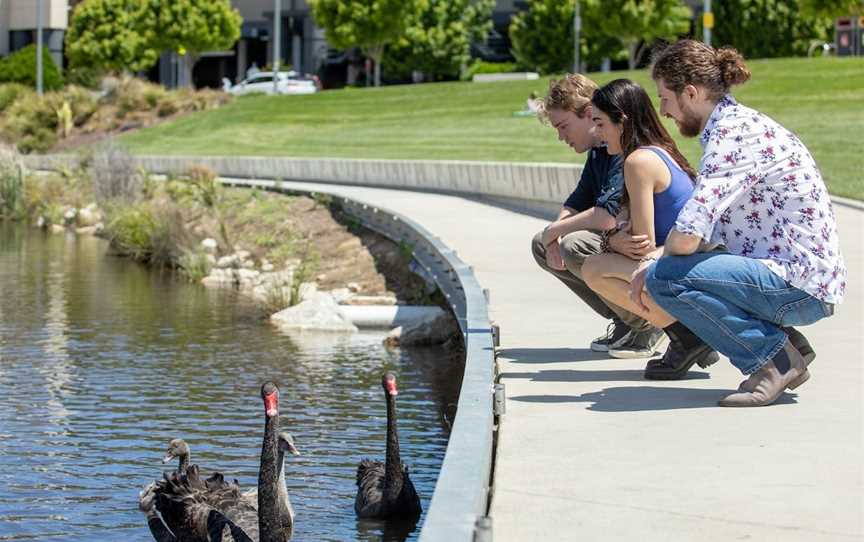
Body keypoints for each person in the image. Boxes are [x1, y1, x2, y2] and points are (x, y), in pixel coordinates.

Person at [629, 39, 845, 407]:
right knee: (666, 269)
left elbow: (687, 237)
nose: (663, 111)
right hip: (799, 277)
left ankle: (773, 361)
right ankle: (788, 347)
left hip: (799, 283)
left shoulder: (733, 137)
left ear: (691, 93)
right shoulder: (736, 127)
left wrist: (652, 263)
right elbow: (703, 231)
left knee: (666, 278)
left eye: (665, 98)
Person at [580, 79, 720, 376]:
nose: (597, 133)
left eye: (600, 123)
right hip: (692, 257)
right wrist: (617, 236)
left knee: (593, 268)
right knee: (599, 262)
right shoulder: (655, 150)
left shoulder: (638, 161)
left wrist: (613, 240)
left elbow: (642, 242)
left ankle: (688, 335)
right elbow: (626, 224)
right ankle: (685, 336)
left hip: (687, 264)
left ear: (622, 121)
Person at [532, 74, 665, 356]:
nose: (561, 136)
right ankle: (625, 319)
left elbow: (606, 216)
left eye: (564, 126)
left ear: (588, 114)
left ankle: (646, 322)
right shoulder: (598, 153)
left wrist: (555, 233)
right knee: (542, 244)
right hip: (624, 244)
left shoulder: (624, 150)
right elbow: (578, 200)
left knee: (574, 244)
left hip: (653, 251)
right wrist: (551, 234)